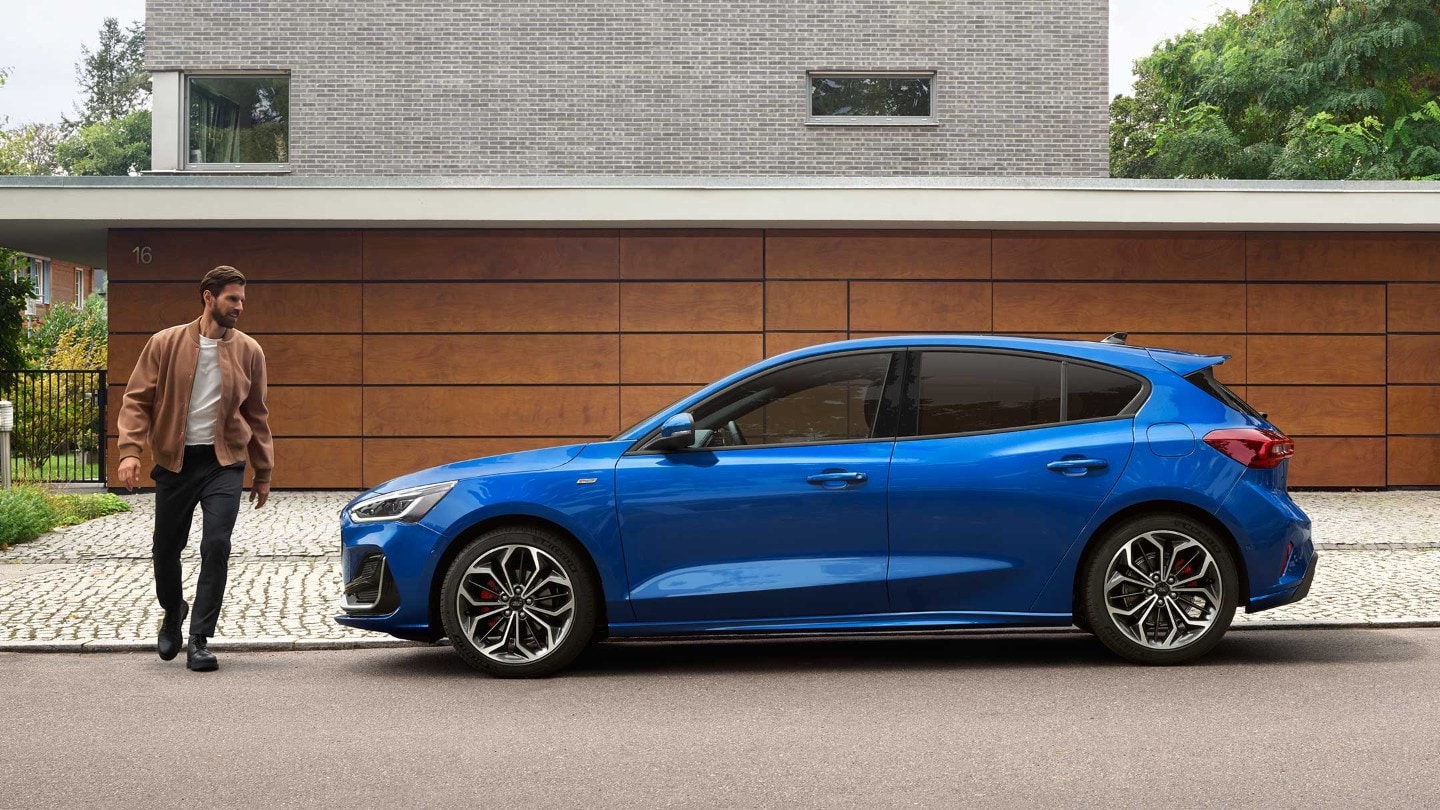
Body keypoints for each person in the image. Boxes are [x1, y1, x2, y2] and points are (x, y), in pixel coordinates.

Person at [116, 265, 273, 672]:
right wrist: (130, 451)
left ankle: (200, 639)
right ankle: (173, 610)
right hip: (175, 461)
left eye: (242, 299)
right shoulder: (164, 343)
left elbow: (256, 415)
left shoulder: (249, 351)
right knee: (166, 548)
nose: (239, 306)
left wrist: (263, 471)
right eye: (232, 299)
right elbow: (137, 400)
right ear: (208, 297)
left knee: (216, 544)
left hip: (224, 462)